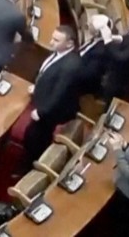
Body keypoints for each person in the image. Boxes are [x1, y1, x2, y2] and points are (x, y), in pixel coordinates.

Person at [22, 25, 82, 168]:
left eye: (56, 40)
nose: (51, 42)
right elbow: (48, 74)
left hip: (50, 111)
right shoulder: (60, 53)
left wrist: (42, 112)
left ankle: (29, 166)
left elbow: (59, 93)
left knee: (35, 138)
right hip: (43, 100)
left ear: (69, 44)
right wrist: (37, 88)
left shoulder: (71, 65)